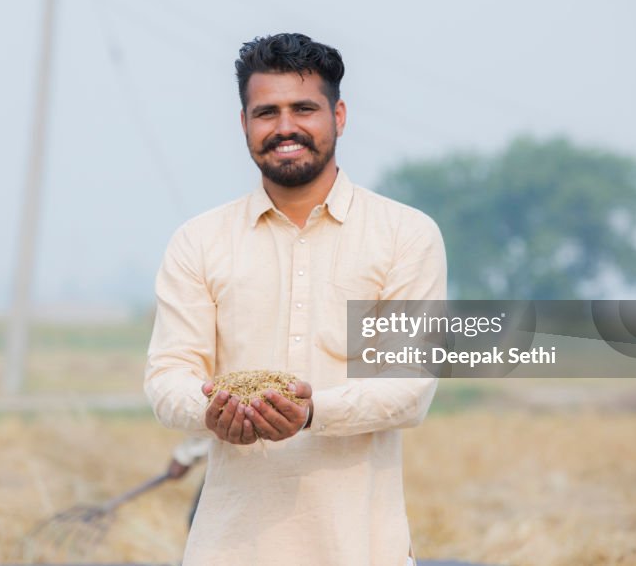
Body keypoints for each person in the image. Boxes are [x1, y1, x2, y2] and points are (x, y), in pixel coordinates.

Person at [144, 33, 446, 566]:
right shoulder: (200, 240)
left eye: (304, 108)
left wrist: (311, 413)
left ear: (339, 115)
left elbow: (409, 388)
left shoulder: (404, 235)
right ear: (244, 123)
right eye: (267, 112)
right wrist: (212, 410)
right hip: (229, 547)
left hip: (362, 547)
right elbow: (169, 375)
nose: (285, 127)